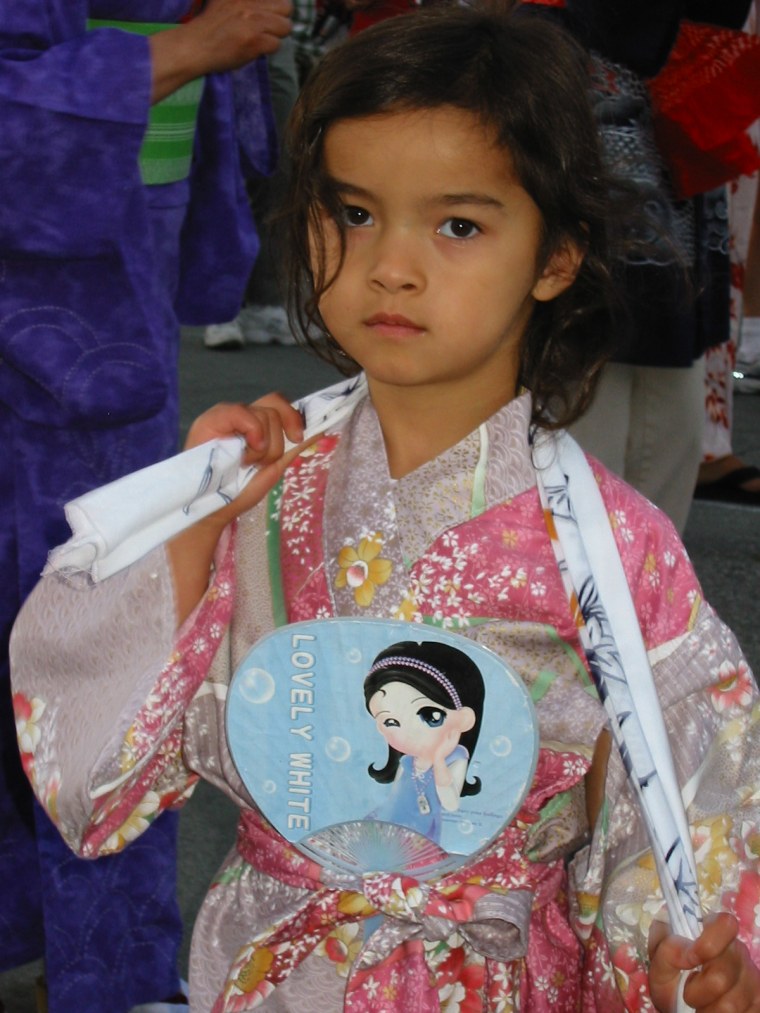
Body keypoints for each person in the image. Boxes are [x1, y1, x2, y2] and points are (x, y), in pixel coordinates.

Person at [9, 6, 760, 1010]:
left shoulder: (611, 541)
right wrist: (196, 517)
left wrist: (686, 955)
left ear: (554, 256)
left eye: (458, 224)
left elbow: (678, 796)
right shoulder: (257, 487)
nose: (390, 265)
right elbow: (98, 770)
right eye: (353, 213)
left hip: (494, 974)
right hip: (276, 962)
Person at [0, 1, 291, 1009]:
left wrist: (216, 48)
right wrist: (182, 53)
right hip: (45, 318)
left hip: (121, 329)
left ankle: (110, 971)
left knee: (118, 669)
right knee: (78, 665)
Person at [363, 641, 484, 844]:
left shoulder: (456, 758)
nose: (411, 731)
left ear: (464, 719)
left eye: (430, 716)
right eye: (390, 721)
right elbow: (393, 799)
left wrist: (438, 760)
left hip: (420, 836)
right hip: (389, 825)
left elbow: (451, 803)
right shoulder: (407, 763)